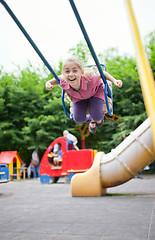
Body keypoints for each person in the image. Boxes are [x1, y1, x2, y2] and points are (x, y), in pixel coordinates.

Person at [46, 57, 122, 134]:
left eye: (75, 71)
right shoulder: (63, 81)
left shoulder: (90, 79)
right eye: (67, 71)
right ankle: (91, 121)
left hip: (95, 92)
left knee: (97, 116)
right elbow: (56, 79)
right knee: (78, 119)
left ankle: (97, 119)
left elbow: (103, 74)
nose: (71, 74)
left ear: (82, 72)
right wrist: (48, 82)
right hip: (79, 97)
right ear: (63, 74)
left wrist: (115, 80)